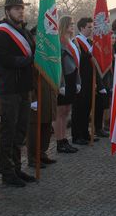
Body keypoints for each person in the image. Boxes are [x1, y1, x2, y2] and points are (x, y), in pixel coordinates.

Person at [0, 0, 37, 187]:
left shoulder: (24, 31)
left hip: (24, 88)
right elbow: (4, 60)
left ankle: (17, 167)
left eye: (22, 8)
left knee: (20, 131)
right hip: (9, 89)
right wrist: (28, 61)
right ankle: (7, 172)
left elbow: (33, 51)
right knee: (8, 132)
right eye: (17, 9)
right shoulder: (1, 34)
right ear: (8, 11)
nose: (21, 12)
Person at [27, 26, 57, 169]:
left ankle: (42, 153)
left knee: (46, 125)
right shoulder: (31, 54)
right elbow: (29, 79)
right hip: (37, 95)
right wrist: (32, 99)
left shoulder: (48, 53)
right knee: (35, 128)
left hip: (48, 93)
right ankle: (33, 157)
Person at [55, 16, 81, 151]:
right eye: (70, 24)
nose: (72, 26)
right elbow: (58, 66)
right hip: (63, 79)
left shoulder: (73, 41)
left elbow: (77, 64)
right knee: (60, 112)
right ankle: (59, 142)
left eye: (73, 23)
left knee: (67, 111)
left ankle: (64, 139)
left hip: (72, 79)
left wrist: (78, 81)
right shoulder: (59, 42)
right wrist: (61, 85)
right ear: (64, 25)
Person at [72, 17, 98, 144]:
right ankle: (77, 136)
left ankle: (85, 132)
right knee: (79, 108)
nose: (91, 30)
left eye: (92, 27)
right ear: (81, 28)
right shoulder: (76, 41)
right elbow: (79, 60)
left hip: (89, 79)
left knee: (87, 107)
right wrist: (89, 54)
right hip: (80, 79)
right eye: (89, 27)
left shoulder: (89, 42)